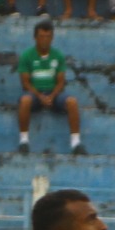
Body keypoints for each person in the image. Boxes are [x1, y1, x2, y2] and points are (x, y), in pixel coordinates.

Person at [17, 20, 84, 155]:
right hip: (35, 94)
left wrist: (51, 97)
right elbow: (25, 83)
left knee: (72, 102)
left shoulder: (58, 55)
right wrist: (40, 96)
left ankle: (76, 143)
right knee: (24, 101)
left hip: (53, 94)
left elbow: (60, 82)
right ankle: (23, 141)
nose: (45, 40)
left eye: (48, 37)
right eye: (41, 37)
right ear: (35, 38)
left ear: (52, 38)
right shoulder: (26, 55)